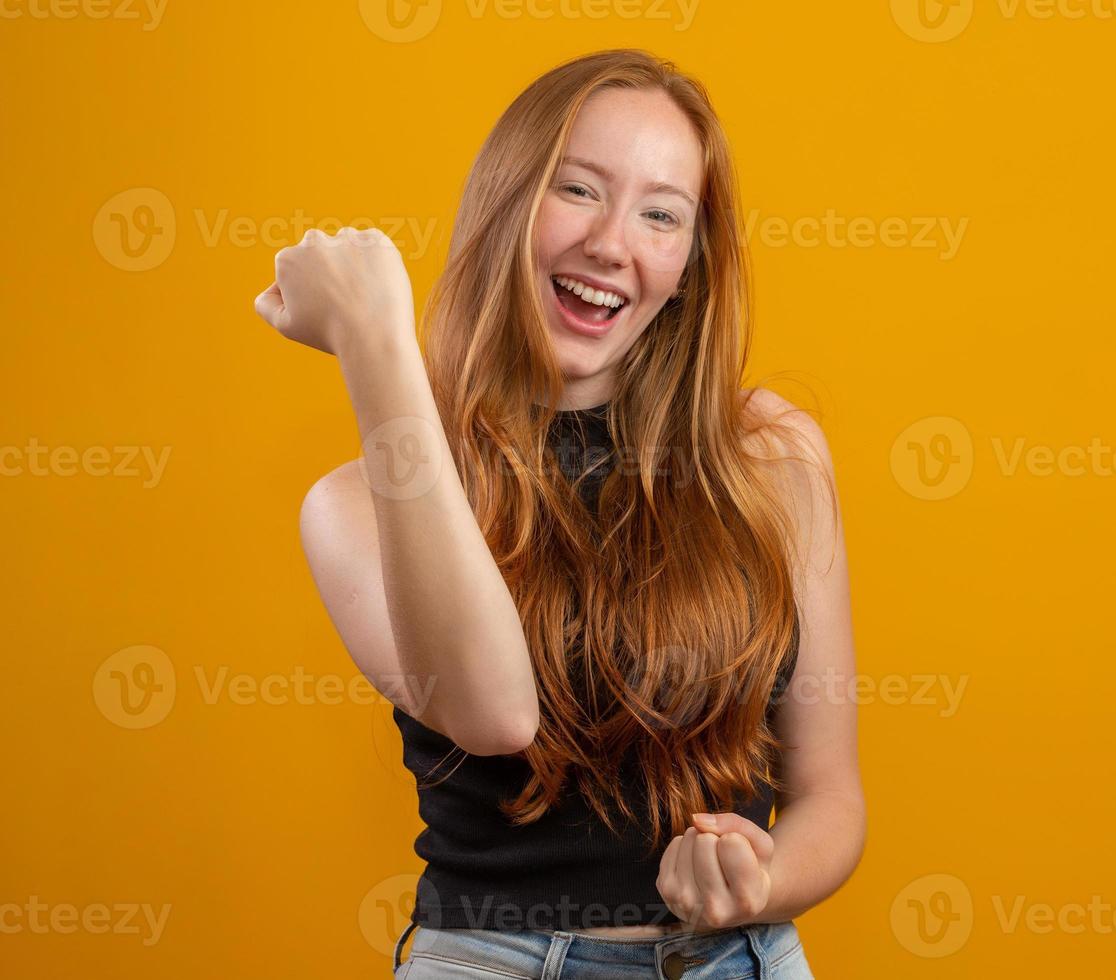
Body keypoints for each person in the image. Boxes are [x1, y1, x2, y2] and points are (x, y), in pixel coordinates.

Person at [254, 48, 863, 979]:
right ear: (505, 203)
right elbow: (494, 712)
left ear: (689, 263)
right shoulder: (354, 506)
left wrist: (758, 880)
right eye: (577, 191)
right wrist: (375, 346)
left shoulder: (770, 459)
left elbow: (832, 798)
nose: (613, 244)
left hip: (745, 961)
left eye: (662, 214)